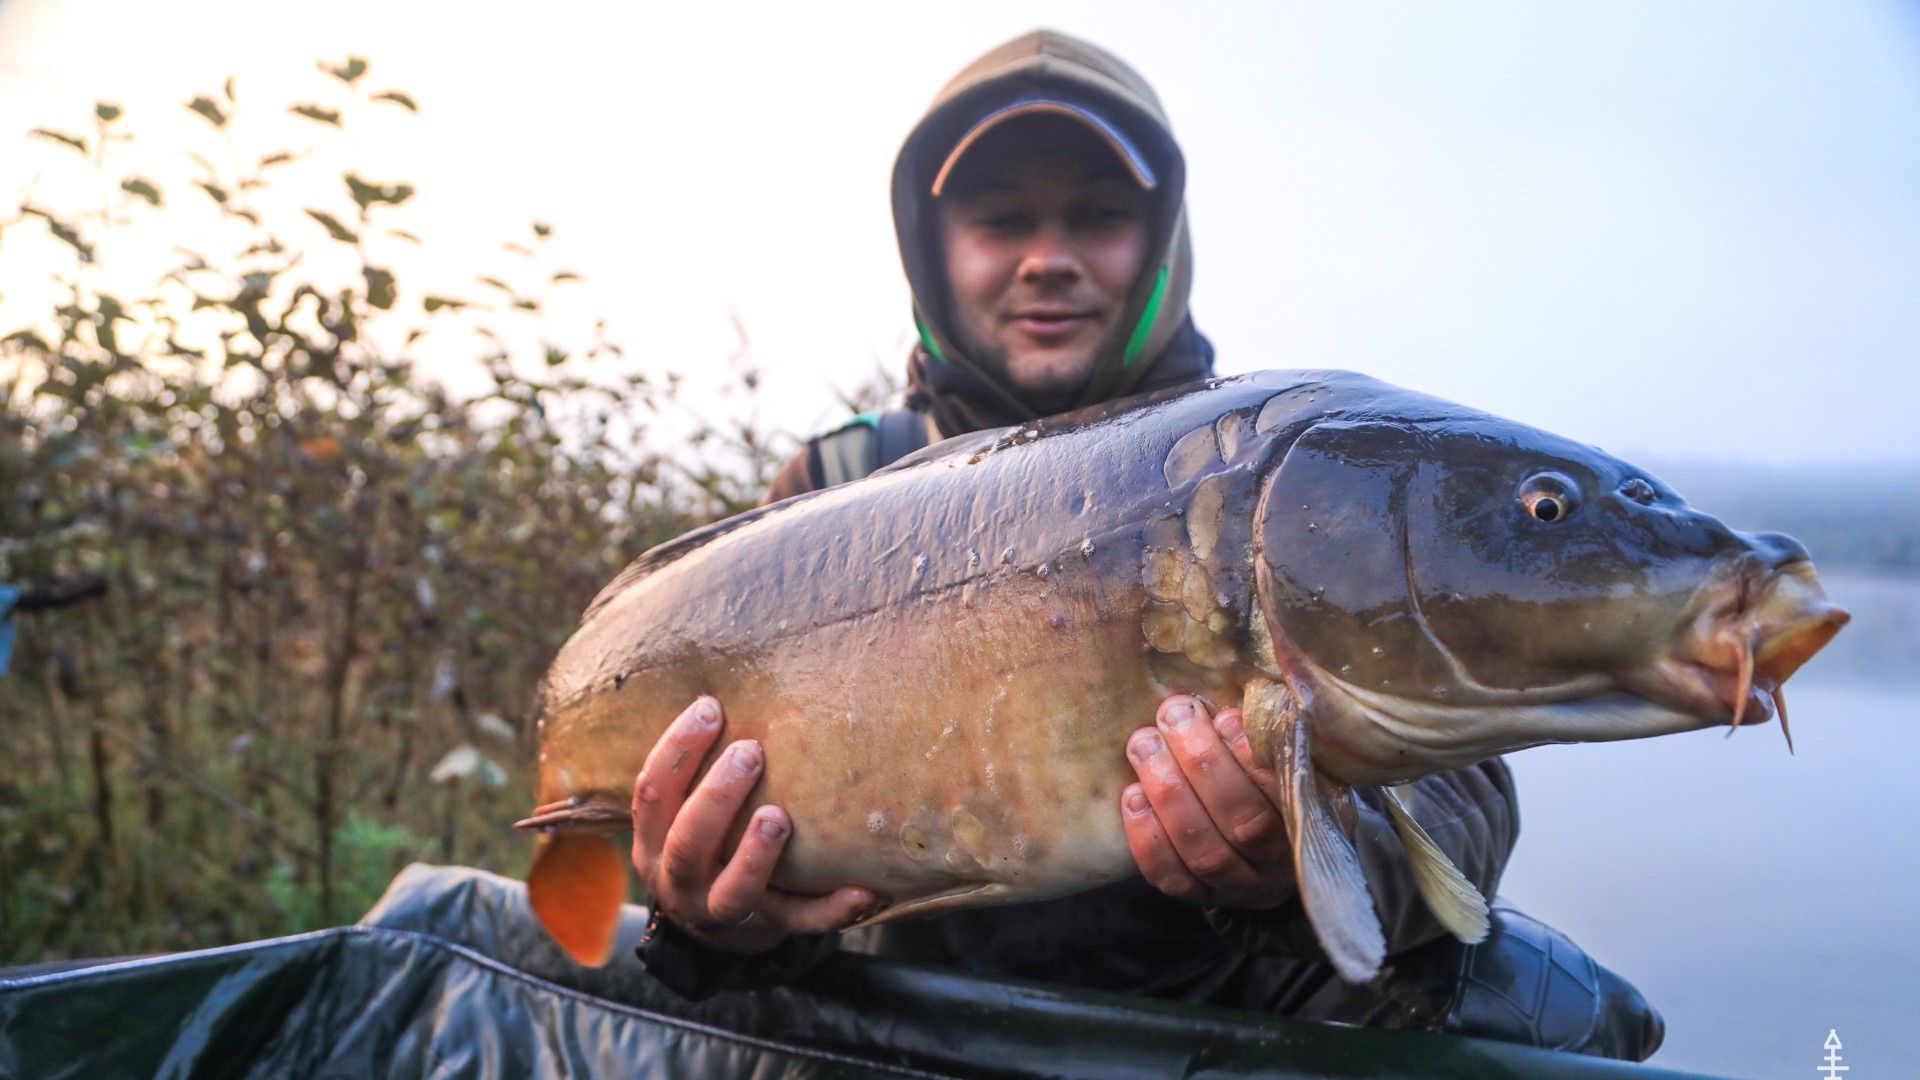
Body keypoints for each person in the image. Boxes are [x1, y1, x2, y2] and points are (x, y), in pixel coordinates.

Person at [629, 29, 1662, 1060]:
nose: (1049, 259)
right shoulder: (833, 495)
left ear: (1164, 241)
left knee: (1519, 994)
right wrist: (712, 919)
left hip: (1224, 1030)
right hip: (915, 1022)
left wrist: (1306, 861)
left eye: (1099, 216)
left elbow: (1467, 799)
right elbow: (723, 889)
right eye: (1002, 220)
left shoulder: (1273, 479)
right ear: (930, 250)